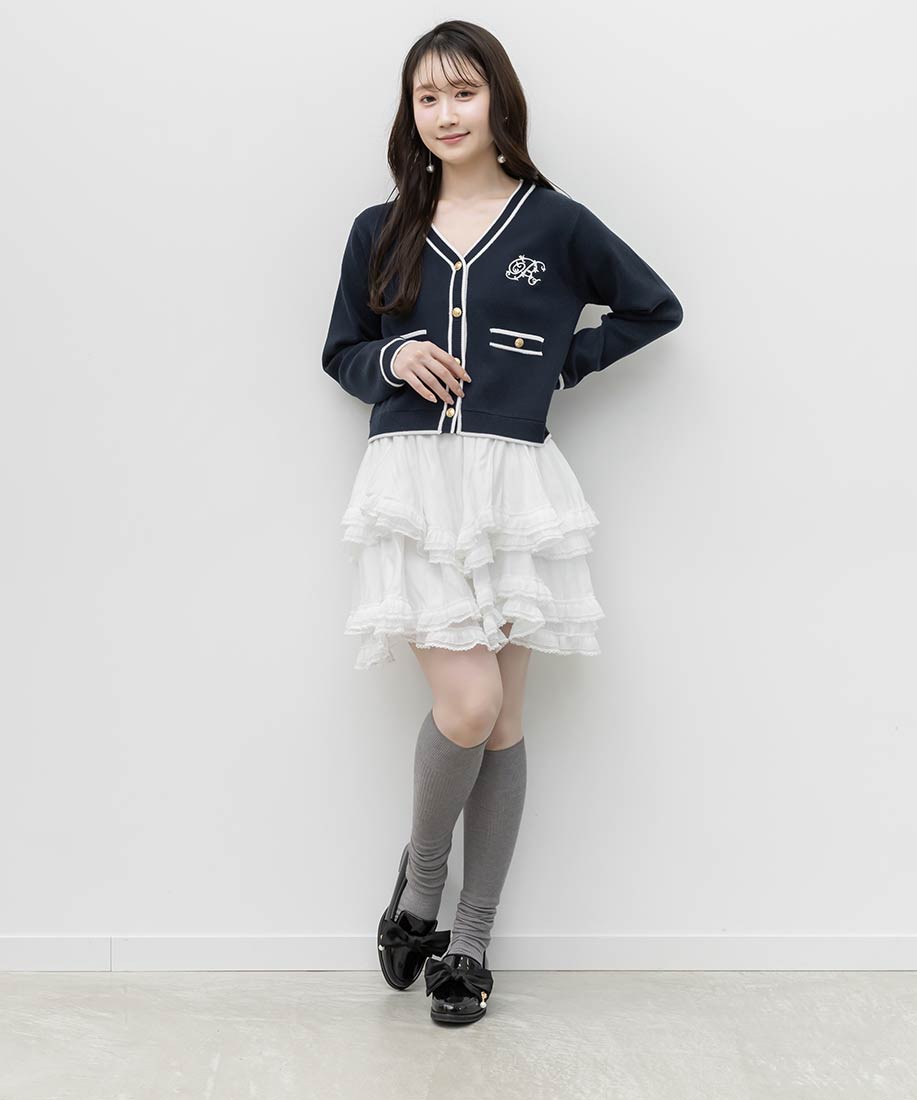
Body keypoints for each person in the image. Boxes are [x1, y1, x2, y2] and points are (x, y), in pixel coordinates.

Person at [321, 20, 683, 1026]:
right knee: (469, 705)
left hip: (515, 485)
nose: (445, 113)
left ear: (498, 101)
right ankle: (423, 882)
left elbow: (652, 307)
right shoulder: (379, 228)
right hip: (412, 483)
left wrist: (560, 365)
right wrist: (390, 358)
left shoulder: (554, 222)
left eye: (463, 93)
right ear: (410, 112)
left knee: (505, 720)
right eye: (426, 97)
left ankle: (470, 942)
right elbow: (341, 349)